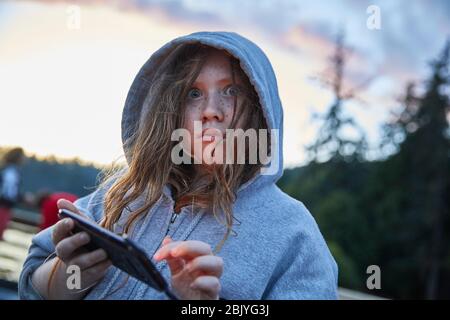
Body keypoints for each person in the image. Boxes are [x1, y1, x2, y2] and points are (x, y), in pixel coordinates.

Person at [19, 31, 338, 300]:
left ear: (260, 110)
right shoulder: (124, 192)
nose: (211, 111)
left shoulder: (293, 231)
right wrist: (68, 275)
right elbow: (31, 282)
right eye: (193, 93)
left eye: (231, 91)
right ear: (172, 110)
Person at [0, 147, 25, 240]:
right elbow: (9, 192)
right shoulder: (11, 171)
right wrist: (22, 198)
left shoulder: (7, 169)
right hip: (3, 207)